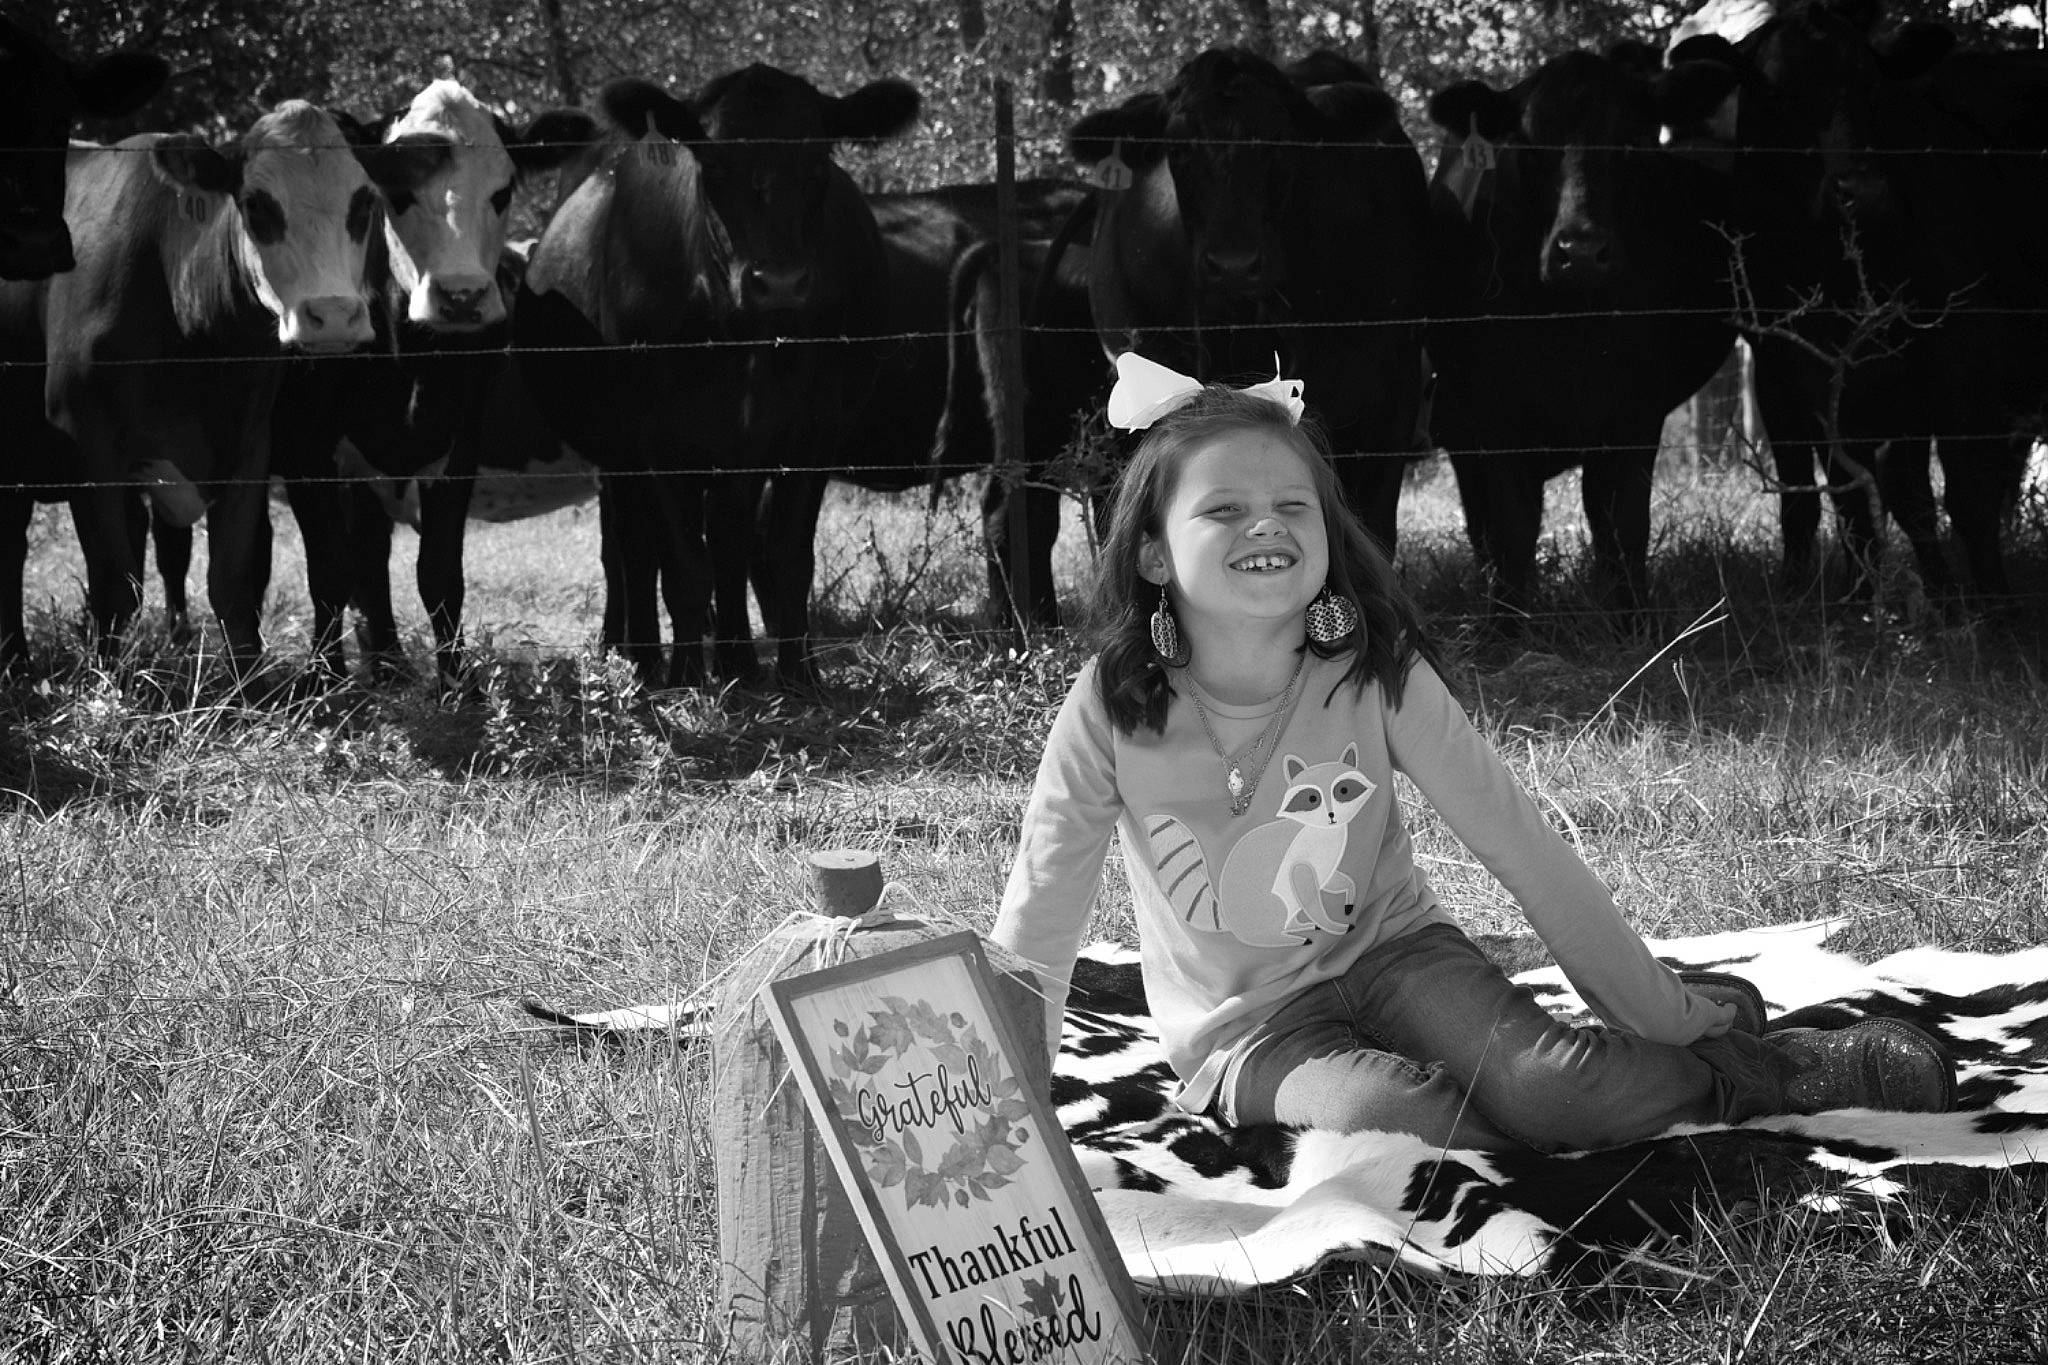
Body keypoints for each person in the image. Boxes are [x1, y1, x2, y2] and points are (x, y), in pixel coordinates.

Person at [990, 358, 1956, 1153]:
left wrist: (1654, 1012)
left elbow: (1520, 843)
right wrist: (1002, 1107)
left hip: (1399, 953)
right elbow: (1040, 917)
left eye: (1294, 503)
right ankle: (1592, 1081)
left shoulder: (1372, 670)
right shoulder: (1110, 709)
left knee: (1553, 1094)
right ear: (1155, 553)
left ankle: (1755, 1068)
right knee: (1413, 1125)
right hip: (1249, 1029)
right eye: (1224, 509)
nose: (1267, 524)